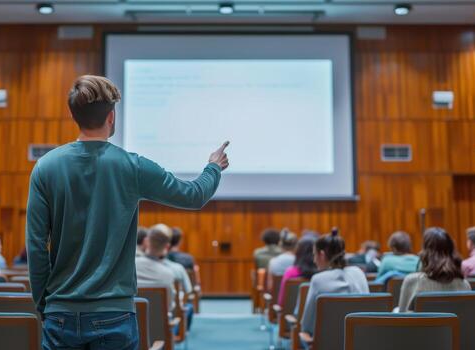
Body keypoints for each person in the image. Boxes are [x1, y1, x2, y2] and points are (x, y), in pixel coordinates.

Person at [26, 75, 228, 350]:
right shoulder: (132, 166)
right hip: (114, 313)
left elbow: (36, 245)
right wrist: (213, 167)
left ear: (74, 116)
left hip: (59, 313)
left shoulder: (45, 167)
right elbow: (193, 195)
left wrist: (44, 304)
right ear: (111, 117)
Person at [301, 231, 369, 334]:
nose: (314, 260)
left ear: (322, 255)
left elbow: (307, 325)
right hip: (361, 339)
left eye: (315, 255)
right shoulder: (359, 272)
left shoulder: (318, 280)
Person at [398, 227, 471, 312]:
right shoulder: (464, 285)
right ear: (451, 251)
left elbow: (402, 319)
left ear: (425, 252)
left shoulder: (412, 281)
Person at [277, 236, 317, 306]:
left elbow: (281, 301)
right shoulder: (322, 275)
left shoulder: (290, 272)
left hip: (290, 315)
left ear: (298, 251)